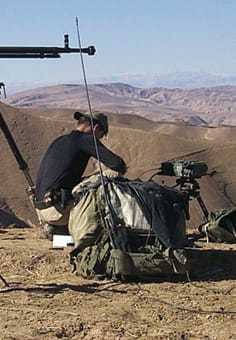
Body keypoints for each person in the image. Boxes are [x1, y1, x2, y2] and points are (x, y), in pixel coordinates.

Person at [35, 111, 127, 240]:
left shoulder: (60, 140)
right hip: (57, 211)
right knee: (110, 176)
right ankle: (88, 234)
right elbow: (118, 165)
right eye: (101, 135)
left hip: (42, 209)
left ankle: (60, 236)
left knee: (88, 181)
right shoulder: (85, 140)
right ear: (95, 129)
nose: (99, 139)